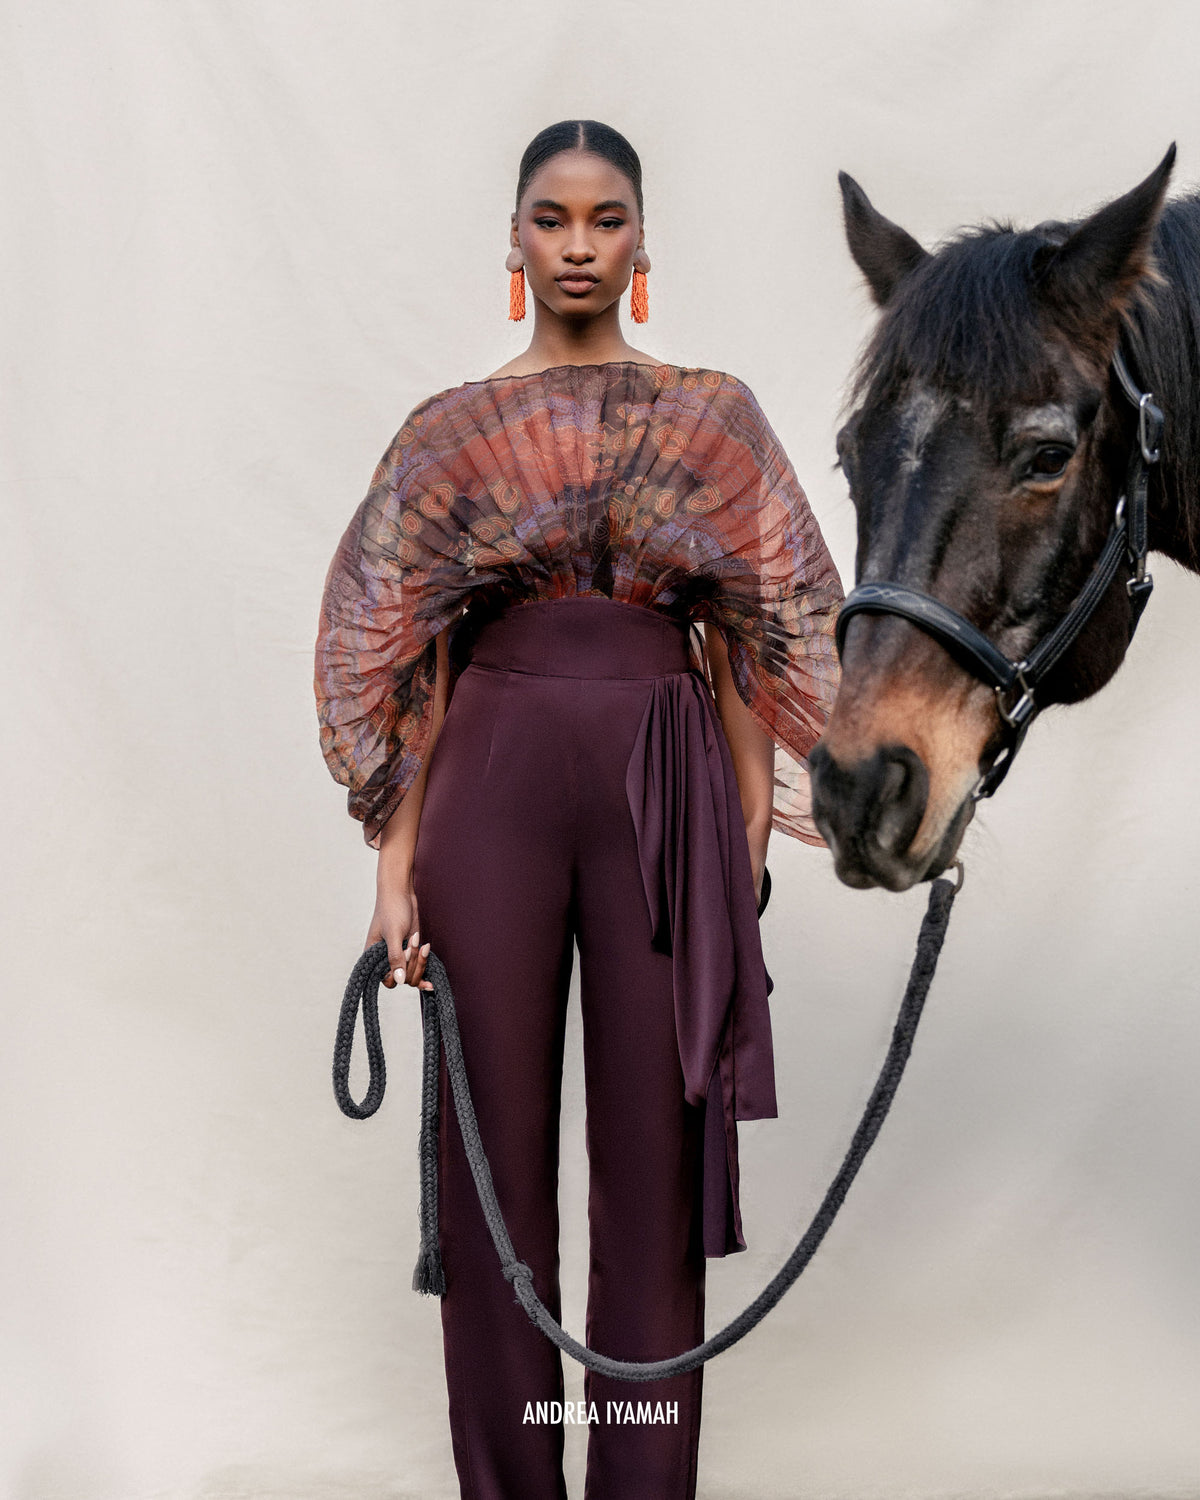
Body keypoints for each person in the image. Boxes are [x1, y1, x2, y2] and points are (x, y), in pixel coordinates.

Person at [315, 118, 844, 1500]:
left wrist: (742, 836)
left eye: (606, 219)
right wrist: (394, 867)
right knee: (490, 1166)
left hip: (664, 785)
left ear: (643, 242)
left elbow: (755, 633)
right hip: (487, 783)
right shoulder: (449, 435)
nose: (578, 246)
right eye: (551, 219)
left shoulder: (712, 417)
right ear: (513, 239)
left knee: (653, 1175)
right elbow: (404, 657)